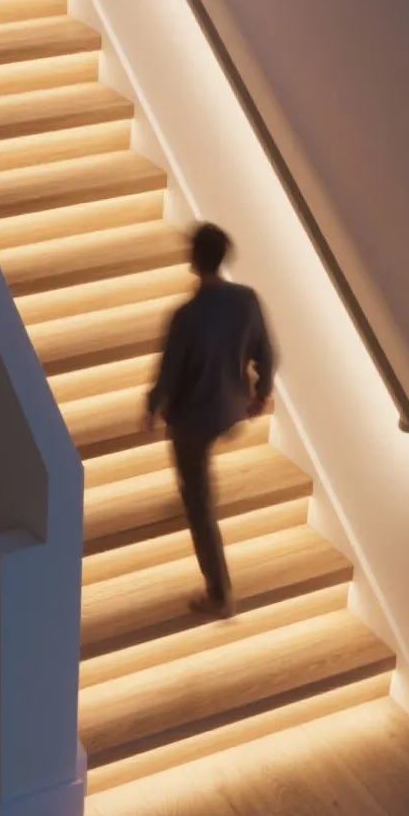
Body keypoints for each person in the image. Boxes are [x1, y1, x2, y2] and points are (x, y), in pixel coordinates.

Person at [143, 223, 275, 620]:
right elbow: (266, 352)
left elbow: (169, 374)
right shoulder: (247, 300)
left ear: (193, 260)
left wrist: (152, 406)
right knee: (197, 467)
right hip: (231, 408)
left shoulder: (186, 316)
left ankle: (219, 592)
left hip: (194, 420)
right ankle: (193, 482)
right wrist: (261, 393)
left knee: (199, 504)